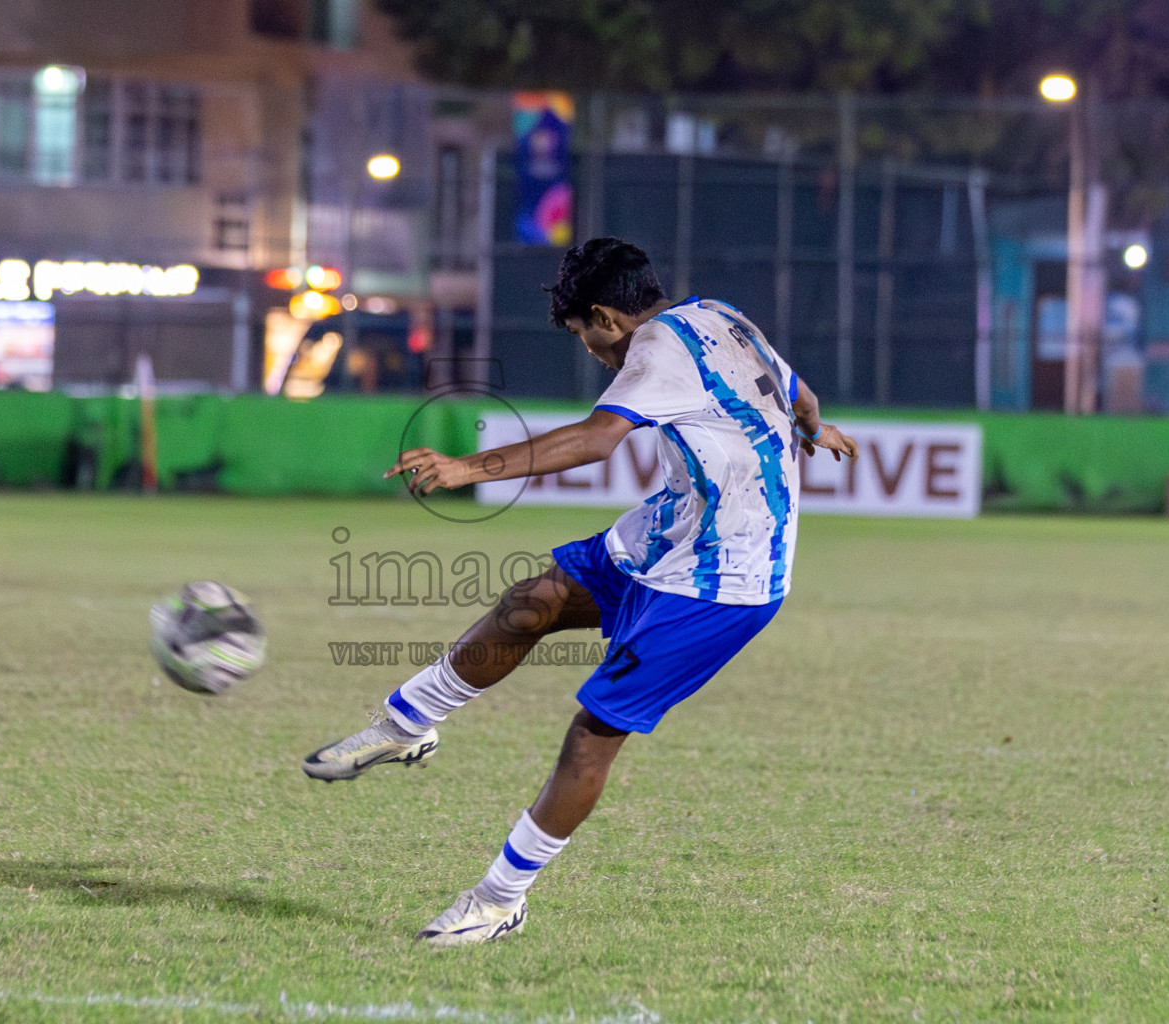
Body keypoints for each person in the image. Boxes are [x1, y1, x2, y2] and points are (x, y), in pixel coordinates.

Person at [302, 237, 858, 945]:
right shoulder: (721, 315)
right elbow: (800, 394)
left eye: (584, 336)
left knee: (592, 739)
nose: (593, 354)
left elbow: (597, 440)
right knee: (530, 603)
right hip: (670, 533)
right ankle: (407, 724)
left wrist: (468, 468)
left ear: (606, 316)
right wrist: (815, 429)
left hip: (723, 583)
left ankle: (501, 900)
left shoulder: (656, 348)